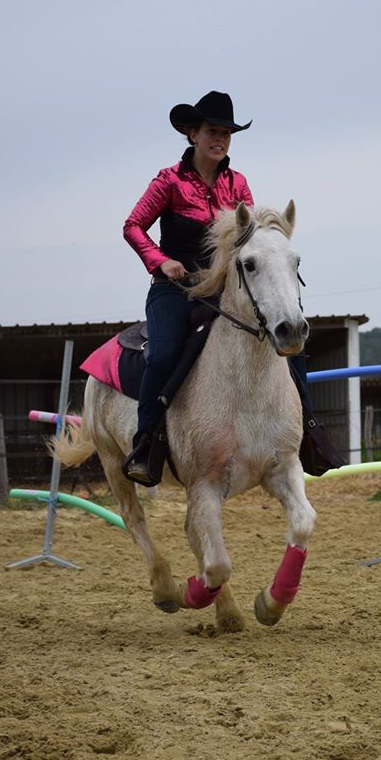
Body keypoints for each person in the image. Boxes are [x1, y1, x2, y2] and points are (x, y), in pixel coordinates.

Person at [121, 91, 255, 485]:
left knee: (280, 340)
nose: (221, 140)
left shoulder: (239, 184)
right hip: (173, 290)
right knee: (161, 356)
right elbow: (132, 225)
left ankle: (308, 433)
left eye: (227, 134)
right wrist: (159, 260)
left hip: (222, 293)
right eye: (213, 131)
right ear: (192, 134)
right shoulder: (169, 181)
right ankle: (145, 443)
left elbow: (250, 235)